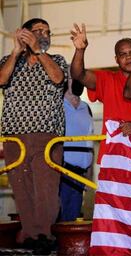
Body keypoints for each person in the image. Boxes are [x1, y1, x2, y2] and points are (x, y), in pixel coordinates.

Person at [0, 18, 67, 253]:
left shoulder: (56, 60)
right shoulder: (10, 62)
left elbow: (58, 78)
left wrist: (38, 51)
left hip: (46, 136)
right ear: (24, 34)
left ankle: (45, 236)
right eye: (38, 31)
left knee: (46, 189)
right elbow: (1, 79)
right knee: (22, 188)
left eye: (47, 32)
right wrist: (16, 51)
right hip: (14, 137)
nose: (44, 35)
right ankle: (29, 235)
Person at [70, 24, 131, 163]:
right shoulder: (107, 78)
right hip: (113, 154)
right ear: (116, 59)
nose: (129, 57)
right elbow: (77, 74)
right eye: (123, 54)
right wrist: (80, 50)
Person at [59, 76, 94, 222]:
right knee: (59, 216)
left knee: (72, 216)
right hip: (61, 171)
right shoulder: (57, 106)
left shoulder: (86, 107)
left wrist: (90, 171)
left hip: (81, 174)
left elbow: (90, 139)